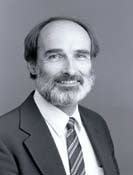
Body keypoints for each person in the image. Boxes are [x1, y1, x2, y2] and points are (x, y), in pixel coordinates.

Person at [0, 17, 119, 175]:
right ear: (33, 65)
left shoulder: (97, 124)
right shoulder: (4, 136)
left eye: (81, 55)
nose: (70, 70)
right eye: (55, 56)